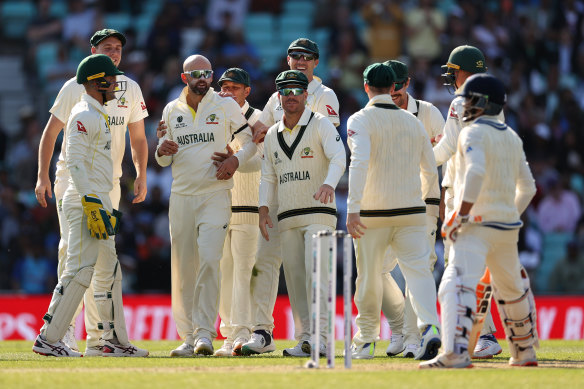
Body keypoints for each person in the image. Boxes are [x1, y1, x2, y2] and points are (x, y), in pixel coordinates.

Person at [34, 28, 149, 356]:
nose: (115, 56)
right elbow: (71, 158)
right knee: (77, 262)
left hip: (104, 188)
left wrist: (138, 175)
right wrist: (78, 195)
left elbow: (137, 138)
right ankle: (56, 335)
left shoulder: (105, 103)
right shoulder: (80, 102)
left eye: (118, 49)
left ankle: (106, 340)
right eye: (107, 49)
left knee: (106, 264)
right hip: (82, 191)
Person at [420, 74, 538, 369]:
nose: (463, 104)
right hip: (507, 228)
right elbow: (529, 188)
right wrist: (509, 213)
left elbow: (475, 173)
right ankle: (524, 353)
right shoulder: (511, 136)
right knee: (511, 290)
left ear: (482, 103)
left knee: (455, 284)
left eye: (469, 99)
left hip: (475, 225)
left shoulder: (470, 134)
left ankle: (456, 353)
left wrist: (460, 215)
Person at [241, 38, 341, 355]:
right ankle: (263, 331)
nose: (299, 61)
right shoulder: (275, 98)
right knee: (267, 264)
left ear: (316, 62)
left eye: (306, 57)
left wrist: (328, 183)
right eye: (294, 56)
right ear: (287, 60)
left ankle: (318, 336)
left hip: (313, 201)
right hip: (282, 203)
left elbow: (329, 148)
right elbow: (266, 144)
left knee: (314, 272)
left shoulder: (325, 98)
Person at [155, 55, 256, 357]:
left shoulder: (225, 105)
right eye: (196, 73)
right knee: (184, 268)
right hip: (182, 197)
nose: (203, 78)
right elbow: (163, 159)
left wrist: (234, 160)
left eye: (207, 73)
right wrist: (161, 149)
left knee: (211, 259)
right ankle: (188, 337)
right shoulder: (171, 110)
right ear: (184, 78)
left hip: (215, 193)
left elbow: (250, 142)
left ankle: (204, 334)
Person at [346, 63, 441, 361]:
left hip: (374, 214)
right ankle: (430, 329)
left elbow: (358, 164)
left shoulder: (360, 119)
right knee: (419, 273)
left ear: (366, 87)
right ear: (393, 88)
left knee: (369, 277)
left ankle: (365, 342)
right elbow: (430, 170)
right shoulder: (413, 122)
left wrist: (352, 209)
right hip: (413, 212)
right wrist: (431, 208)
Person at [432, 45, 503, 359]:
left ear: (464, 71)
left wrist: (416, 160)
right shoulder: (493, 103)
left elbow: (446, 147)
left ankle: (484, 334)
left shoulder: (460, 101)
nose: (451, 76)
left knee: (461, 266)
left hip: (464, 192)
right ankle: (482, 333)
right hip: (486, 191)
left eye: (453, 70)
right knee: (478, 264)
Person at [381, 59, 445, 358]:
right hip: (387, 203)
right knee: (374, 269)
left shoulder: (428, 112)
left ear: (407, 83)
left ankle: (412, 337)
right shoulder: (376, 114)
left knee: (418, 267)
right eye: (387, 84)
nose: (392, 91)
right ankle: (399, 328)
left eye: (397, 85)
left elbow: (448, 152)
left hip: (423, 202)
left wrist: (446, 195)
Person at [212, 68, 263, 357]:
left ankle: (243, 333)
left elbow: (262, 162)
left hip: (249, 206)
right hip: (220, 206)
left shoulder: (257, 119)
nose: (227, 92)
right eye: (224, 87)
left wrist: (235, 159)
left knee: (244, 273)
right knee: (224, 273)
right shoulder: (217, 118)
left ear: (247, 91)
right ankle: (229, 334)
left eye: (234, 88)